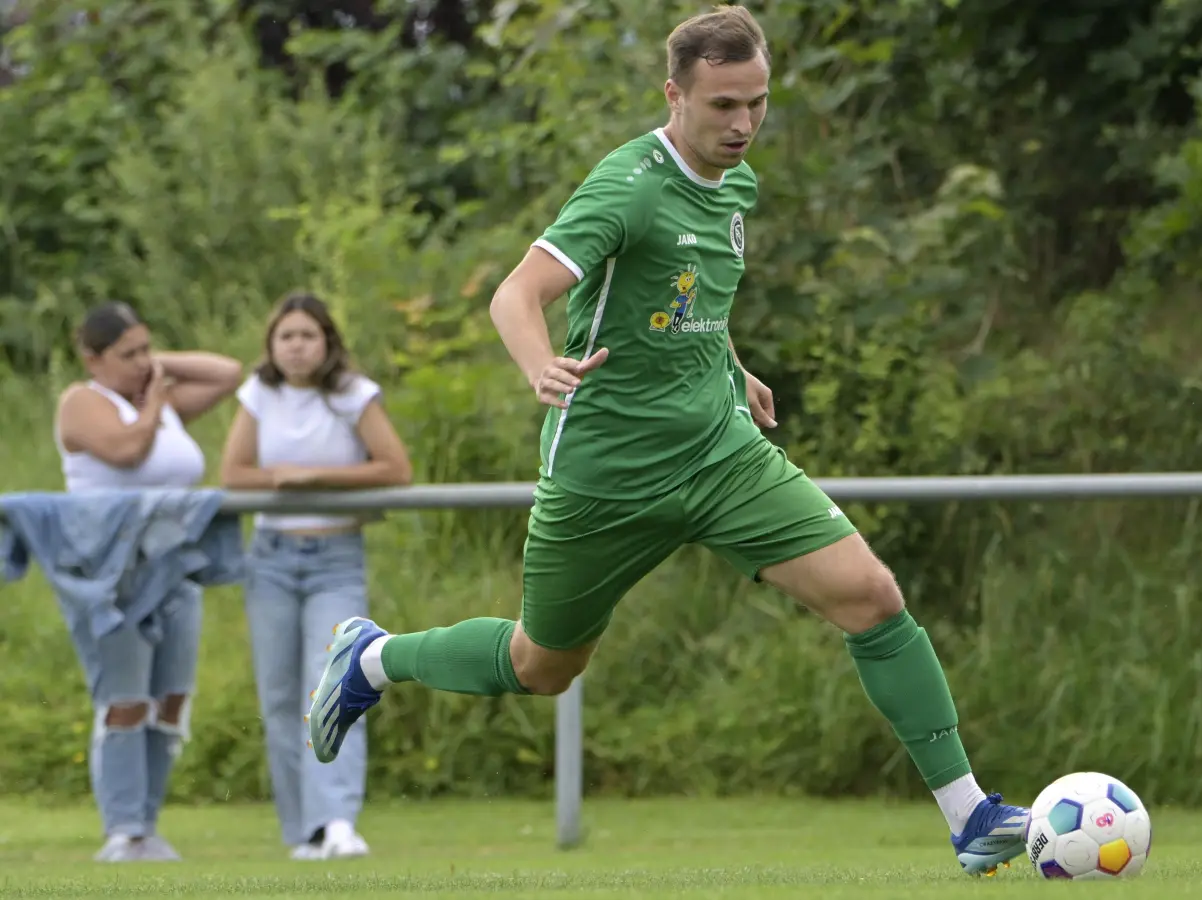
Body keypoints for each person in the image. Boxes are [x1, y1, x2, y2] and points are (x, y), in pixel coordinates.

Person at [305, 4, 1031, 876]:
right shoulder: (629, 185)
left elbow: (685, 294)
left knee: (871, 596)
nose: (743, 124)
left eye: (756, 102)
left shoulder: (739, 182)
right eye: (722, 105)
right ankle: (375, 659)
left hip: (722, 456)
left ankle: (970, 816)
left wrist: (731, 362)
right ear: (674, 95)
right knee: (543, 666)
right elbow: (515, 293)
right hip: (608, 476)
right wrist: (541, 366)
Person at [220, 292, 412, 861]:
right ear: (271, 346)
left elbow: (395, 468)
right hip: (272, 558)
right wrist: (281, 479)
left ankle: (337, 822)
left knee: (334, 683)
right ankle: (303, 831)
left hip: (335, 557)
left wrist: (314, 477)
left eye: (307, 335)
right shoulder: (259, 395)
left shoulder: (354, 394)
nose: (297, 346)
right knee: (279, 697)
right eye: (286, 337)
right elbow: (234, 472)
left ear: (327, 340)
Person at [53, 301, 243, 862]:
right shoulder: (82, 403)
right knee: (126, 697)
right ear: (93, 359)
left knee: (171, 699)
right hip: (111, 573)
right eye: (127, 354)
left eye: (145, 349)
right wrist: (155, 400)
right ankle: (122, 828)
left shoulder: (154, 401)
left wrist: (152, 367)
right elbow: (127, 451)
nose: (142, 363)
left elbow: (227, 373)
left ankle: (149, 825)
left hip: (173, 565)